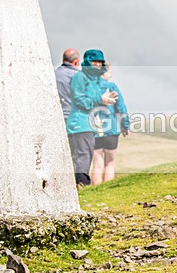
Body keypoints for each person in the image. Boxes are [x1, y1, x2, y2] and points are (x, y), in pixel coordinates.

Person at [66, 49, 117, 187]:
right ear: (88, 61)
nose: (98, 65)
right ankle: (80, 185)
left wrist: (104, 100)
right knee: (82, 155)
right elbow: (80, 100)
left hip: (88, 123)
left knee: (86, 155)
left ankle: (80, 185)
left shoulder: (95, 80)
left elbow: (92, 100)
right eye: (95, 61)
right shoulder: (80, 77)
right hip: (79, 123)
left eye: (100, 62)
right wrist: (100, 99)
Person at [90, 63, 130, 184]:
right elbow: (121, 108)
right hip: (111, 129)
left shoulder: (89, 86)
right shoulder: (111, 86)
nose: (111, 75)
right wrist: (125, 126)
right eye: (109, 73)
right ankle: (107, 190)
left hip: (93, 130)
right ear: (104, 72)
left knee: (97, 165)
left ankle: (95, 192)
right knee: (110, 164)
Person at [54, 48, 80, 121]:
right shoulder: (79, 76)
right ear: (76, 62)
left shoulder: (54, 74)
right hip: (74, 118)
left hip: (58, 116)